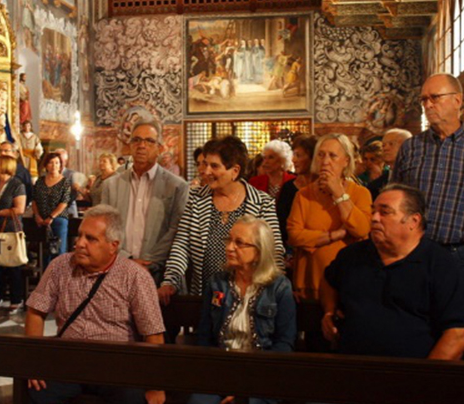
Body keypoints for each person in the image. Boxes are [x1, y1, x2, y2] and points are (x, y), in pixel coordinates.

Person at [301, 184, 464, 404]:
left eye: (385, 212)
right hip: (358, 377)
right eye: (373, 211)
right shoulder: (354, 256)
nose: (373, 218)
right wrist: (329, 311)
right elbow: (329, 281)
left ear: (413, 221)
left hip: (421, 379)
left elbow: (458, 334)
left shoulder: (441, 265)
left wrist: (414, 392)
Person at [25, 205, 166, 404]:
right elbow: (35, 311)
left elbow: (153, 333)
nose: (79, 243)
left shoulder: (135, 276)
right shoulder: (60, 266)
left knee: (129, 401)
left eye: (91, 239)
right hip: (68, 361)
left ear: (113, 246)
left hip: (116, 365)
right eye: (80, 235)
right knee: (32, 392)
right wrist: (35, 361)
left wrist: (155, 386)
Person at [394, 73, 464, 301]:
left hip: (461, 256)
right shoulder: (411, 149)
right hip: (416, 251)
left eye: (434, 97)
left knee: (462, 322)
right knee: (415, 321)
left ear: (457, 100)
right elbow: (395, 199)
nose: (428, 104)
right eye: (424, 99)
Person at [181, 216, 296, 404]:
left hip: (262, 374)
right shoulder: (218, 282)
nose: (229, 247)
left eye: (239, 243)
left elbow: (284, 345)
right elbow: (205, 335)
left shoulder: (279, 287)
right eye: (229, 240)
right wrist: (210, 376)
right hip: (221, 369)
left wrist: (247, 385)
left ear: (259, 251)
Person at [158, 136, 284, 304]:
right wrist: (170, 282)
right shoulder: (195, 199)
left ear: (235, 171)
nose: (206, 171)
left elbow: (273, 251)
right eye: (204, 164)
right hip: (204, 297)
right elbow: (181, 245)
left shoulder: (261, 203)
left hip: (250, 298)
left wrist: (276, 291)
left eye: (214, 166)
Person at [102, 119, 189, 285]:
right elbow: (106, 229)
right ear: (130, 145)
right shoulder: (111, 185)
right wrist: (126, 260)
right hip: (118, 270)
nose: (142, 145)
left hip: (159, 274)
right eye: (136, 140)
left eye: (149, 141)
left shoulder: (177, 186)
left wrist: (148, 263)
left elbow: (176, 231)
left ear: (160, 148)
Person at [287, 133, 372, 300]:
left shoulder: (360, 194)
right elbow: (294, 235)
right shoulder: (304, 195)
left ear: (346, 161)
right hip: (311, 285)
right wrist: (336, 235)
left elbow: (362, 229)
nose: (325, 161)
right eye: (321, 155)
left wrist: (338, 193)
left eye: (332, 156)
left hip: (348, 283)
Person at [0, 156, 26, 313]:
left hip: (9, 229)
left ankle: (16, 299)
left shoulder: (16, 185)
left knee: (12, 264)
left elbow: (19, 209)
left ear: (6, 166)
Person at [277, 134, 317, 250]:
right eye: (294, 155)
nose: (294, 160)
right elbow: (281, 224)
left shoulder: (323, 188)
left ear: (312, 158)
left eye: (298, 155)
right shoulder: (288, 188)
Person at [32, 152, 72, 264]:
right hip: (41, 219)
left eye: (57, 163)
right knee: (44, 252)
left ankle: (59, 276)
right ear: (46, 165)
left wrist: (51, 217)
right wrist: (37, 215)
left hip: (58, 218)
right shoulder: (40, 181)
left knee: (59, 250)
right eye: (51, 162)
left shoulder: (65, 182)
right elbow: (34, 199)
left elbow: (64, 202)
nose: (54, 165)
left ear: (60, 165)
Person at [366, 128, 412, 200]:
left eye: (391, 144)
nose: (385, 148)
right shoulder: (374, 186)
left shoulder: (418, 179)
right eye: (383, 145)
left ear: (408, 147)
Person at [55, 148, 87, 217]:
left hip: (69, 210)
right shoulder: (46, 175)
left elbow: (79, 192)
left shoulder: (72, 175)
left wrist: (77, 188)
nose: (58, 163)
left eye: (61, 161)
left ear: (65, 162)